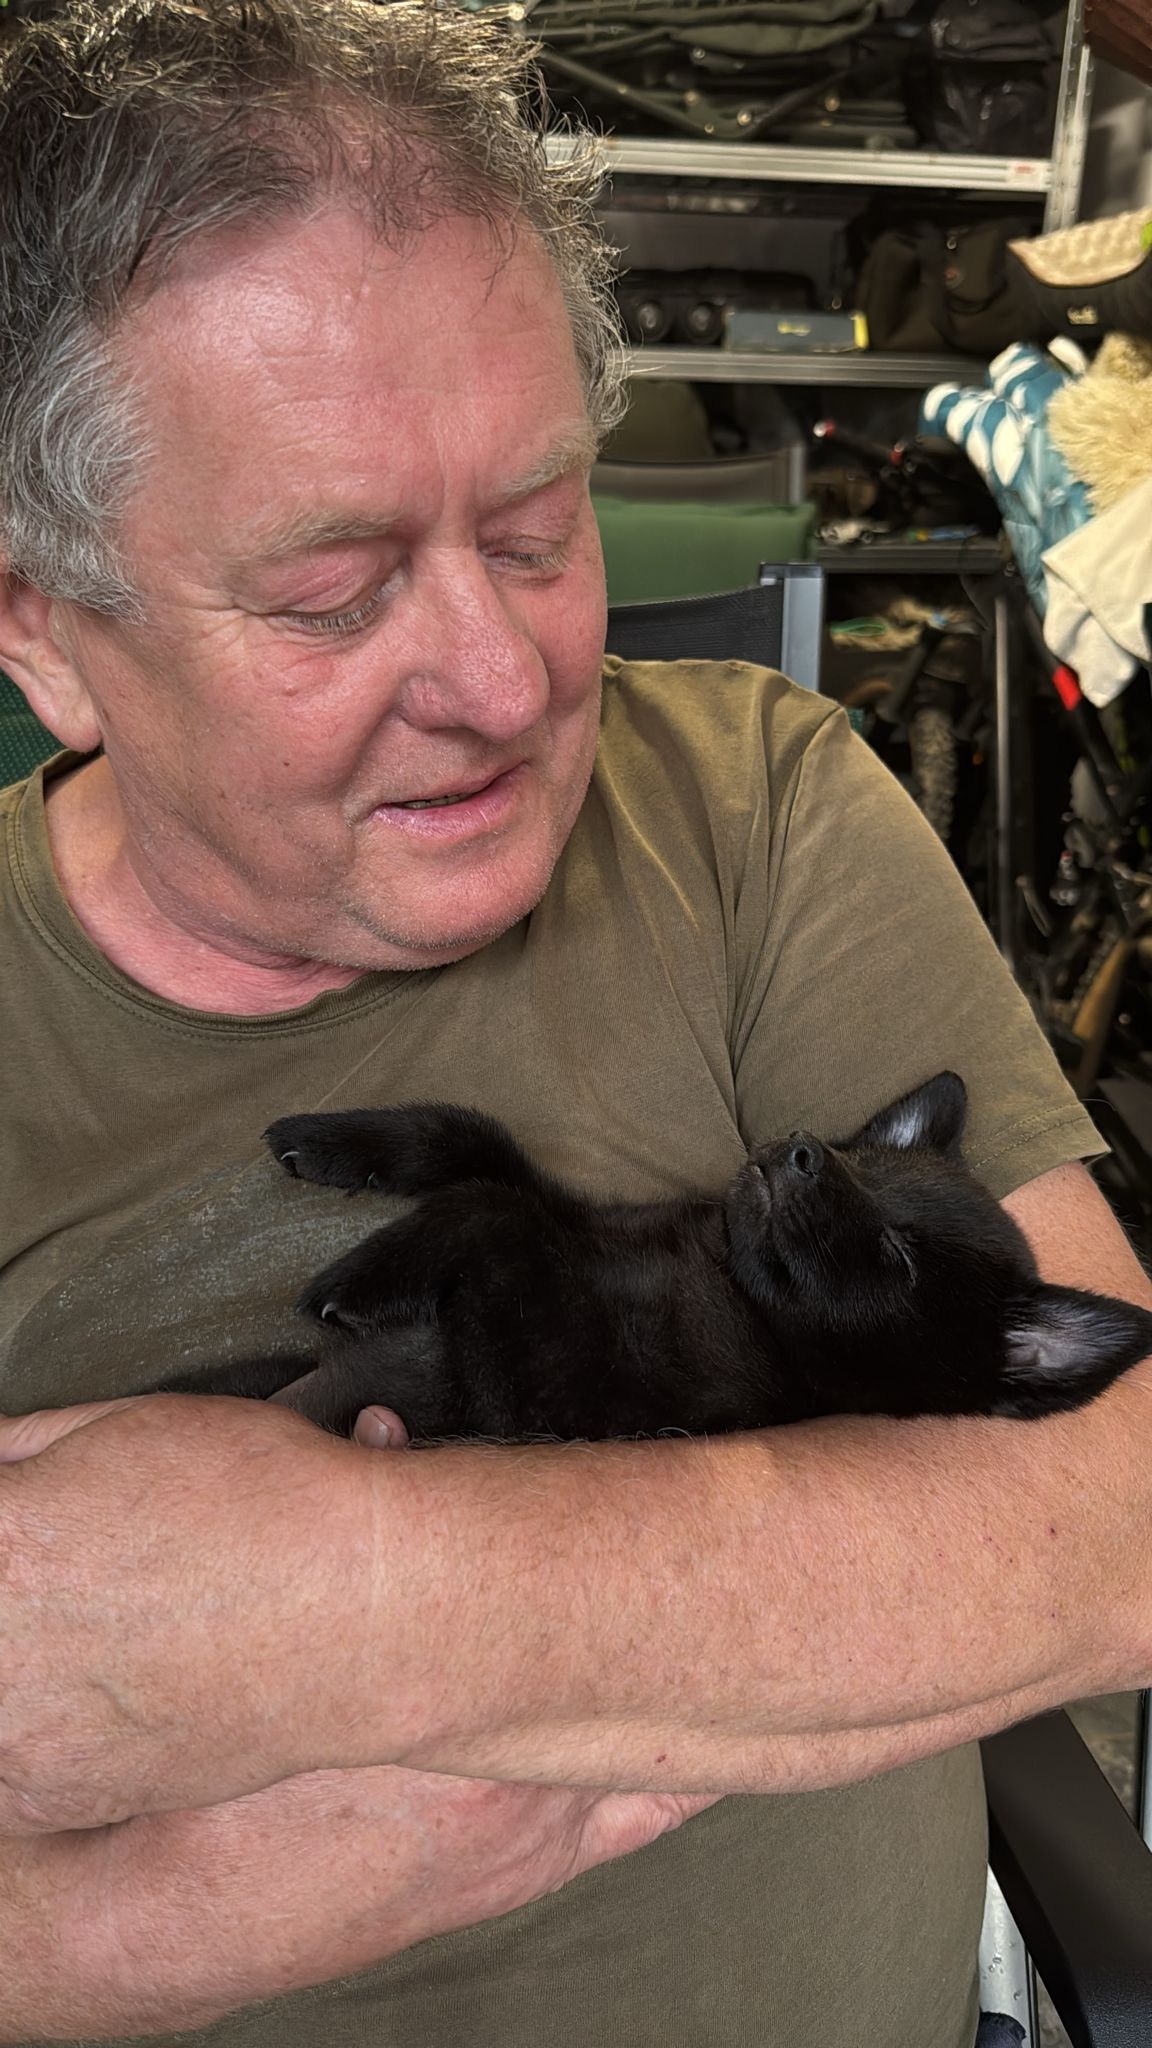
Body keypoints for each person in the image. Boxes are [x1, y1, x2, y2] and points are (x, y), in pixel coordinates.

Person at [0, 2, 1149, 2043]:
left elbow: (1124, 1519)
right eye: (335, 595)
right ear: (45, 630)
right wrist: (138, 1929)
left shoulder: (753, 804)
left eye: (540, 528)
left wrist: (361, 1602)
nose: (510, 684)